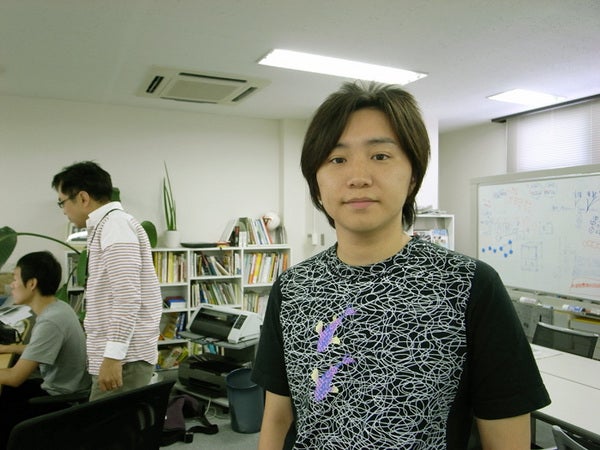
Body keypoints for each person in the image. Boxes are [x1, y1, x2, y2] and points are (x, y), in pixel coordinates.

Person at [251, 82, 551, 449]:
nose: (358, 177)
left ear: (413, 176)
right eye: (337, 159)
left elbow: (506, 435)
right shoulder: (294, 288)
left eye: (380, 156)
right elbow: (278, 416)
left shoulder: (468, 285)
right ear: (316, 181)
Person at [51, 161, 162, 401]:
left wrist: (112, 357)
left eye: (62, 202)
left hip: (125, 359)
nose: (63, 210)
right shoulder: (106, 226)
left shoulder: (115, 226)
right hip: (121, 357)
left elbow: (127, 297)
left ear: (83, 198)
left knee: (107, 425)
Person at [0, 251, 90, 449]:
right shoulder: (59, 307)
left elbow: (15, 377)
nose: (11, 285)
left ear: (32, 283)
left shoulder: (51, 320)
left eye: (15, 278)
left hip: (61, 402)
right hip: (64, 389)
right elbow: (42, 348)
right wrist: (9, 348)